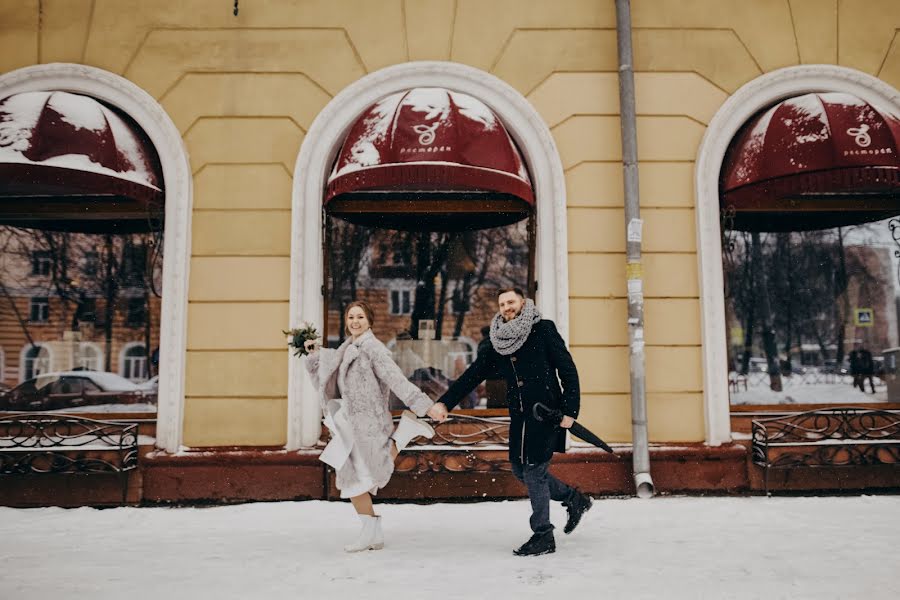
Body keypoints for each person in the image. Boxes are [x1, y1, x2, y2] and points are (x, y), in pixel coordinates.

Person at [429, 288, 593, 556]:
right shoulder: (498, 340)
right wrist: (446, 401)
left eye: (511, 302)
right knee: (520, 471)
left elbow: (568, 370)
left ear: (523, 303)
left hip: (545, 414)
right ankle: (575, 499)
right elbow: (473, 375)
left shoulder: (544, 330)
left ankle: (543, 534)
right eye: (502, 304)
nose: (507, 307)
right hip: (520, 418)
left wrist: (569, 410)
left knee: (533, 471)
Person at [304, 300, 446, 552]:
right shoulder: (348, 347)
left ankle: (404, 434)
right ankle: (373, 534)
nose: (355, 322)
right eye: (351, 318)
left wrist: (426, 405)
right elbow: (329, 371)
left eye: (360, 317)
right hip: (350, 424)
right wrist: (314, 355)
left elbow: (397, 380)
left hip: (368, 423)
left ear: (369, 321)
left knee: (357, 481)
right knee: (353, 479)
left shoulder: (373, 349)